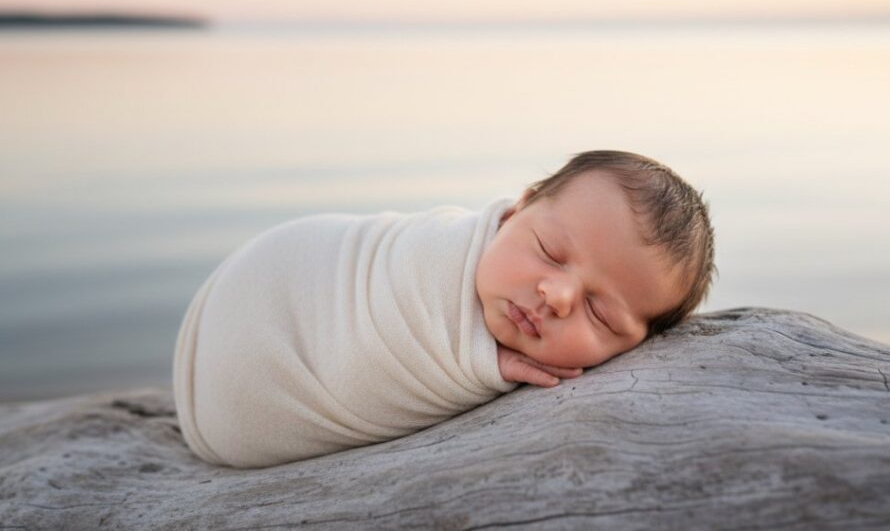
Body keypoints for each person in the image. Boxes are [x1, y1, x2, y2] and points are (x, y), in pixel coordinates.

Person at [173, 150, 714, 468]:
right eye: (549, 251)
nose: (558, 296)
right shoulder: (434, 250)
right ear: (515, 211)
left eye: (600, 315)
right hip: (266, 300)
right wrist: (481, 365)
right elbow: (373, 346)